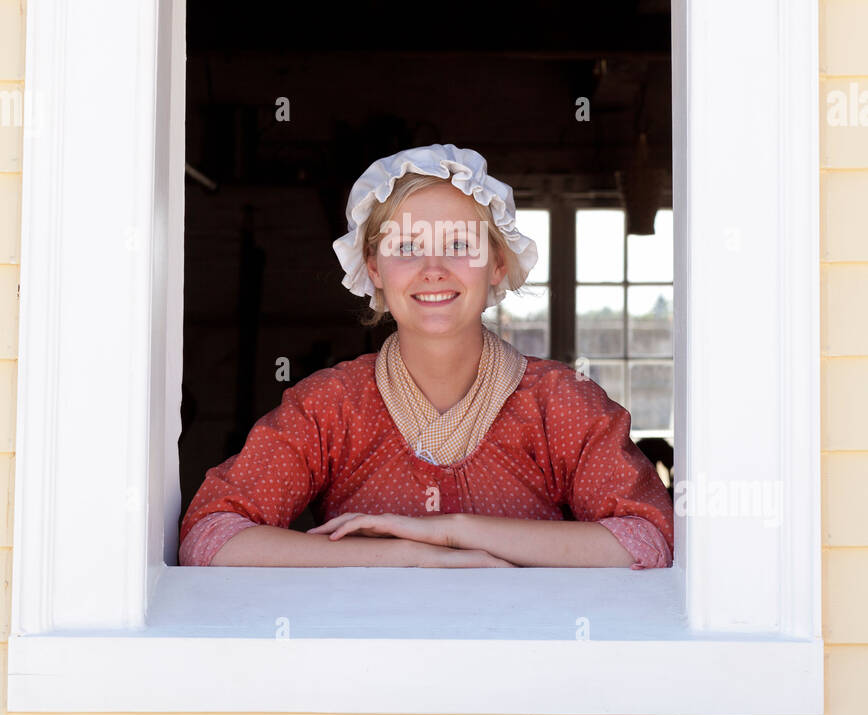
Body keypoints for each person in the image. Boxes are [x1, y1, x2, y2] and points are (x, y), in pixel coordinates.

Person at [178, 144, 674, 569]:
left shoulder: (562, 404)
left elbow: (648, 542)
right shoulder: (330, 406)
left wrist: (455, 532)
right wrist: (404, 555)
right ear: (373, 267)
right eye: (406, 246)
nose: (433, 268)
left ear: (498, 263)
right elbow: (210, 539)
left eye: (460, 244)